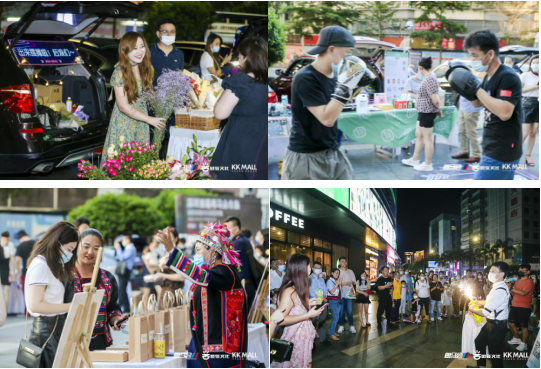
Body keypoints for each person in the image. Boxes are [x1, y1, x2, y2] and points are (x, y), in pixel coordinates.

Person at [281, 25, 374, 180]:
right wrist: (346, 87)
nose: (350, 56)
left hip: (333, 152)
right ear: (331, 49)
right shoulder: (305, 78)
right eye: (347, 52)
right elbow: (327, 119)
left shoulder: (336, 77)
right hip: (306, 157)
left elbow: (336, 106)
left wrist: (357, 86)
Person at [158, 222, 248, 368]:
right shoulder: (214, 273)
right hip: (203, 341)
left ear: (212, 250)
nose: (196, 255)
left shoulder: (226, 272)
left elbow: (200, 276)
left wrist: (171, 251)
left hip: (219, 347)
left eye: (198, 250)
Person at [448, 29, 523, 180]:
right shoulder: (489, 76)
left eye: (475, 55)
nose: (472, 60)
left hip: (502, 150)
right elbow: (477, 104)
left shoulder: (507, 76)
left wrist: (476, 89)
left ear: (490, 54)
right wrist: (464, 89)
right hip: (492, 147)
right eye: (470, 55)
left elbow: (504, 112)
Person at [101, 32, 166, 165]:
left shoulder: (147, 68)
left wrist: (164, 105)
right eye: (134, 48)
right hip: (124, 124)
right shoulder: (120, 72)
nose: (140, 51)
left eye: (142, 46)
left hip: (141, 123)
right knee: (122, 165)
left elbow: (148, 94)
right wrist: (150, 119)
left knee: (139, 165)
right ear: (125, 50)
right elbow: (123, 107)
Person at [211, 37, 267, 180]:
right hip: (261, 143)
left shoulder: (241, 81)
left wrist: (227, 87)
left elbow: (220, 113)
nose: (239, 61)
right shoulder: (266, 80)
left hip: (241, 141)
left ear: (247, 58)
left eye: (240, 56)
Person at [25, 222, 78, 367]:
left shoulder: (49, 265)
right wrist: (69, 307)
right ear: (57, 242)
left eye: (73, 250)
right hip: (45, 332)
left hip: (52, 329)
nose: (70, 254)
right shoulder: (40, 265)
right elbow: (35, 305)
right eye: (69, 249)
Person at [64, 229, 127, 351]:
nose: (90, 252)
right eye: (86, 246)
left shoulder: (108, 278)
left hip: (101, 342)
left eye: (96, 248)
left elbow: (112, 306)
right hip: (69, 343)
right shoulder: (64, 276)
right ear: (77, 247)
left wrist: (116, 320)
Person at [271, 253, 322, 368]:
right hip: (295, 339)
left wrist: (308, 303)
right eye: (309, 266)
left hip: (303, 339)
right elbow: (280, 319)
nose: (311, 269)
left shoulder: (298, 288)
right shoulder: (290, 291)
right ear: (300, 268)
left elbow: (295, 308)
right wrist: (307, 315)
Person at [149, 17, 185, 157]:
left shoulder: (179, 54)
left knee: (172, 139)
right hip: (153, 103)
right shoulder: (149, 51)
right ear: (158, 34)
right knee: (152, 139)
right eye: (166, 32)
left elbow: (180, 77)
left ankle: (169, 168)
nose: (169, 35)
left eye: (172, 32)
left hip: (172, 105)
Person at [402, 57, 443, 172]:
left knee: (427, 138)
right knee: (419, 134)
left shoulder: (430, 78)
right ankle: (415, 159)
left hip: (427, 112)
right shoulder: (428, 78)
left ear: (420, 68)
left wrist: (438, 109)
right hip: (423, 111)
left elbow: (435, 99)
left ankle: (427, 163)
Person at [467, 262, 510, 369]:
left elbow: (484, 313)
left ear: (501, 274)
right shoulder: (498, 286)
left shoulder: (498, 290)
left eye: (493, 271)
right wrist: (479, 303)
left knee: (495, 354)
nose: (489, 273)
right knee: (479, 342)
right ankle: (481, 366)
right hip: (491, 324)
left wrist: (471, 309)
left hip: (496, 327)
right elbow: (492, 302)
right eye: (490, 271)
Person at [224, 216, 257, 308]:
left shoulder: (237, 243)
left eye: (227, 229)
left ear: (236, 228)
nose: (225, 232)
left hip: (242, 286)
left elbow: (227, 263)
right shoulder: (245, 240)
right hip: (248, 284)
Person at [154, 227, 185, 310]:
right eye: (164, 236)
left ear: (176, 238)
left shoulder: (177, 253)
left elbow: (181, 277)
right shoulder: (166, 253)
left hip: (172, 292)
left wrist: (162, 275)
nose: (165, 239)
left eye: (168, 237)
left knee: (170, 320)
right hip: (165, 291)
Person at [507, 263, 534, 352]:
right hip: (514, 305)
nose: (521, 271)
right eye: (520, 270)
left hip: (524, 307)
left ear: (528, 272)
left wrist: (511, 288)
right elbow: (514, 292)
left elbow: (523, 293)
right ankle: (516, 338)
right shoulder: (518, 281)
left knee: (523, 326)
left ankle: (524, 344)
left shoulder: (529, 281)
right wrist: (510, 289)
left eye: (523, 270)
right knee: (511, 323)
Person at [452, 92, 484, 163]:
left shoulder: (475, 80)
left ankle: (476, 154)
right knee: (461, 131)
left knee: (471, 132)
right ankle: (464, 152)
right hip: (462, 108)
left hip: (472, 109)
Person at [520, 56, 539, 167]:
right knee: (524, 134)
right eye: (534, 62)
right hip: (527, 104)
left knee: (533, 132)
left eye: (538, 63)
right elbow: (519, 90)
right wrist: (534, 87)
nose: (536, 64)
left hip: (539, 104)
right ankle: (515, 156)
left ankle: (528, 155)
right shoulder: (525, 75)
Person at [114, 233, 136, 314]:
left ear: (128, 240)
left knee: (122, 289)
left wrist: (118, 248)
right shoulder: (128, 248)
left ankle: (117, 307)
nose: (123, 241)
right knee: (123, 288)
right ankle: (126, 308)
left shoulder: (131, 248)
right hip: (124, 270)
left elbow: (122, 257)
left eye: (124, 239)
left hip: (125, 270)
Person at [309, 261, 330, 345]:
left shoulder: (321, 279)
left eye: (319, 268)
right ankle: (311, 341)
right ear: (312, 268)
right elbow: (309, 292)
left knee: (322, 321)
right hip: (313, 303)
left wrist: (325, 296)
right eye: (316, 268)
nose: (318, 269)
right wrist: (319, 298)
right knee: (313, 322)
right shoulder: (309, 278)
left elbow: (325, 289)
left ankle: (323, 339)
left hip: (322, 303)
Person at [337, 257, 357, 334]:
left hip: (349, 294)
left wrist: (351, 282)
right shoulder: (338, 271)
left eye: (345, 261)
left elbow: (354, 281)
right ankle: (341, 325)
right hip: (341, 294)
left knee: (349, 311)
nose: (344, 263)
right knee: (341, 312)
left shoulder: (350, 271)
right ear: (339, 263)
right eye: (342, 261)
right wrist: (345, 283)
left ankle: (351, 326)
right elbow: (336, 281)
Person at [0, 231, 15, 310]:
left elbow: (12, 259)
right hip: (4, 269)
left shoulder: (11, 245)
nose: (7, 241)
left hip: (6, 270)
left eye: (8, 240)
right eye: (5, 239)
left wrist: (12, 272)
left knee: (6, 292)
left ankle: (4, 311)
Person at [327, 268, 342, 340]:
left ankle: (332, 331)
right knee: (335, 318)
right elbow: (331, 292)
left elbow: (340, 290)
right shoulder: (330, 281)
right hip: (333, 301)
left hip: (338, 300)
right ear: (332, 273)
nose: (337, 274)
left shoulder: (336, 281)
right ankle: (331, 334)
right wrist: (337, 284)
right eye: (336, 273)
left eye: (338, 273)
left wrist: (340, 284)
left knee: (336, 318)